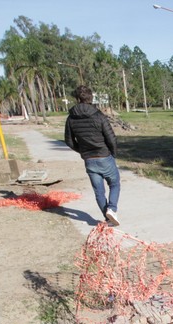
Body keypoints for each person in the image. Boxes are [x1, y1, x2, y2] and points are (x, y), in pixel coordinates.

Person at [64, 85, 121, 226]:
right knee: (114, 184)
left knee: (99, 192)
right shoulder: (99, 116)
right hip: (104, 156)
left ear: (77, 99)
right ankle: (112, 209)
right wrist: (113, 154)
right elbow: (111, 138)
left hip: (89, 159)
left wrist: (82, 151)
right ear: (91, 98)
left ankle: (108, 219)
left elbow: (69, 141)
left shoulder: (71, 118)